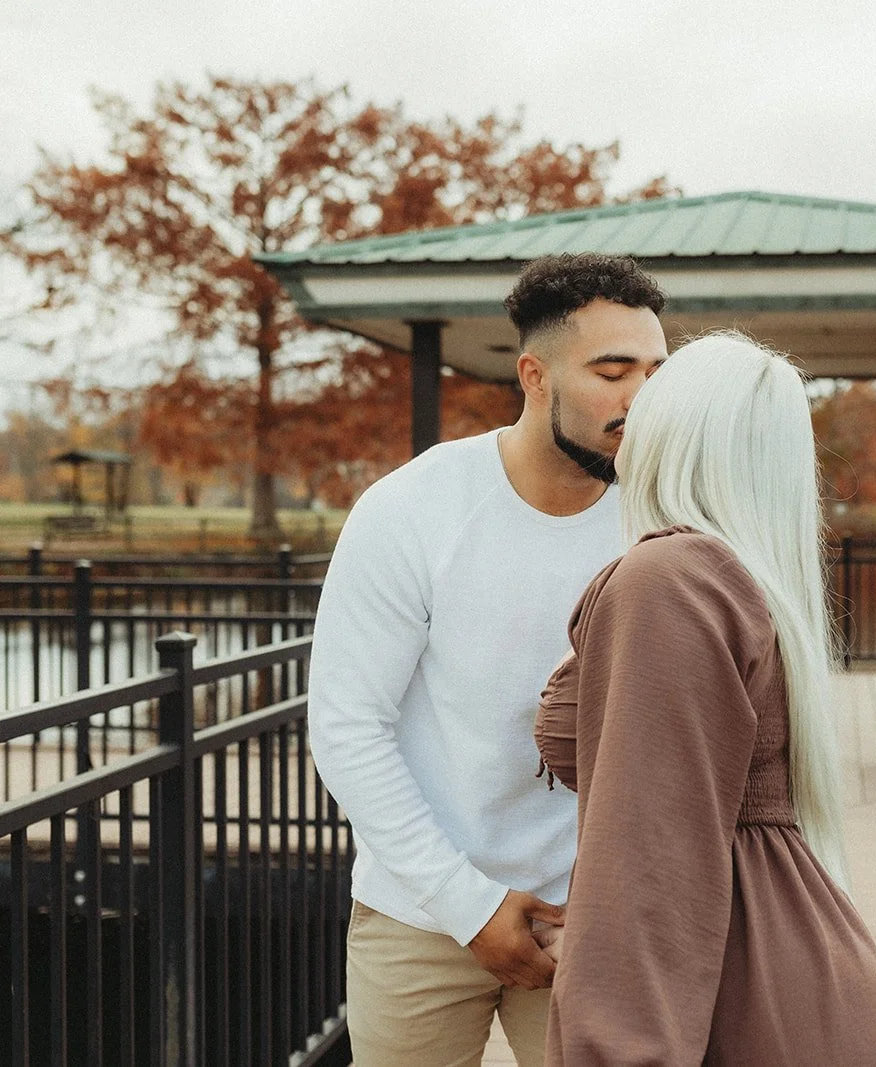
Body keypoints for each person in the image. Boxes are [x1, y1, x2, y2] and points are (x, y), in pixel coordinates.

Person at [308, 252, 669, 1066]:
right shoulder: (412, 509)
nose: (641, 398)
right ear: (534, 376)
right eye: (612, 371)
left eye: (655, 370)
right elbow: (346, 728)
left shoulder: (663, 519)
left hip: (602, 917)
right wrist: (469, 906)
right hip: (423, 910)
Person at [534, 331, 876, 1065]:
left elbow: (653, 858)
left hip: (739, 994)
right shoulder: (739, 574)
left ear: (673, 435)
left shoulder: (670, 579)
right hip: (777, 969)